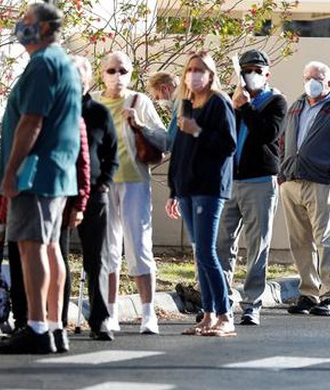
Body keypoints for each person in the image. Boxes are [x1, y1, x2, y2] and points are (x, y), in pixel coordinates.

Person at [0, 2, 82, 354]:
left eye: (27, 22)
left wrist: (11, 171)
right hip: (57, 169)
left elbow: (31, 122)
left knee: (32, 248)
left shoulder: (43, 64)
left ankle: (36, 327)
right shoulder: (64, 63)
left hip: (36, 171)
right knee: (49, 247)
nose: (21, 27)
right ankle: (54, 327)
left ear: (45, 29)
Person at [92, 51, 167, 335]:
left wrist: (140, 124)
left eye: (122, 70)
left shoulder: (139, 101)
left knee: (139, 244)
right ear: (102, 73)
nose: (117, 76)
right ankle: (110, 312)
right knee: (108, 248)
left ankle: (148, 313)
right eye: (111, 71)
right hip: (103, 182)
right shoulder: (94, 102)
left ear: (131, 73)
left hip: (135, 180)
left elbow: (164, 139)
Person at [280, 60, 330, 317]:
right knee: (299, 241)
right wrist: (282, 173)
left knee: (325, 240)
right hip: (292, 181)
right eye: (307, 77)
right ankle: (308, 293)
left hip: (322, 182)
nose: (311, 82)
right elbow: (282, 141)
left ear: (329, 83)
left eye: (317, 78)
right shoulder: (296, 106)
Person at [166, 50, 237, 336]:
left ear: (210, 74)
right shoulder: (187, 104)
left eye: (200, 69)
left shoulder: (219, 103)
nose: (194, 74)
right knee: (199, 254)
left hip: (209, 186)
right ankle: (207, 314)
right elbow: (179, 151)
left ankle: (225, 313)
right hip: (186, 187)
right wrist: (173, 190)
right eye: (190, 69)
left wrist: (198, 131)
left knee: (207, 251)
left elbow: (229, 145)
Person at [216, 49, 287, 326]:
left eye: (257, 70)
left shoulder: (276, 102)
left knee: (257, 245)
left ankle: (251, 304)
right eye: (247, 70)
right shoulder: (231, 101)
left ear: (267, 74)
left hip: (260, 182)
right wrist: (235, 107)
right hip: (229, 180)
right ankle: (219, 301)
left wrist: (245, 108)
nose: (252, 74)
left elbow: (267, 134)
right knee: (222, 243)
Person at [70, 55, 119, 340]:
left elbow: (111, 154)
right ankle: (54, 315)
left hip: (94, 193)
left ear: (89, 81)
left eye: (80, 76)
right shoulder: (57, 109)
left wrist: (103, 185)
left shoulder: (99, 112)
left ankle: (99, 319)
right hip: (61, 193)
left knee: (96, 257)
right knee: (58, 256)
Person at [147, 71, 179, 151]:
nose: (158, 102)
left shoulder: (180, 106)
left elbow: (171, 143)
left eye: (157, 97)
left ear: (164, 88)